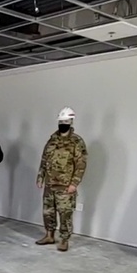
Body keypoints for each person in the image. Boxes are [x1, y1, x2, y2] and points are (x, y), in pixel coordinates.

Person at [36, 107, 87, 252]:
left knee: (65, 214)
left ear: (70, 122)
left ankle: (64, 239)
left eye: (65, 122)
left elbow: (81, 164)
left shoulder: (76, 141)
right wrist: (40, 176)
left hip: (65, 186)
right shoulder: (52, 140)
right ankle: (49, 235)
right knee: (48, 212)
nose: (62, 124)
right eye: (61, 122)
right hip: (50, 184)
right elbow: (44, 159)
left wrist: (74, 183)